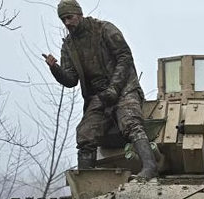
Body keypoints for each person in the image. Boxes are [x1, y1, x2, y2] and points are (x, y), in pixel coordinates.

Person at [43, 0, 157, 180]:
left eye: (70, 17)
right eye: (63, 19)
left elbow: (124, 57)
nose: (67, 22)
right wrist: (55, 69)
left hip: (123, 88)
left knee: (130, 123)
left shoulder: (104, 29)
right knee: (85, 133)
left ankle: (150, 168)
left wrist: (114, 88)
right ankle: (87, 182)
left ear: (79, 14)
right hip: (99, 96)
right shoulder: (69, 46)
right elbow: (71, 80)